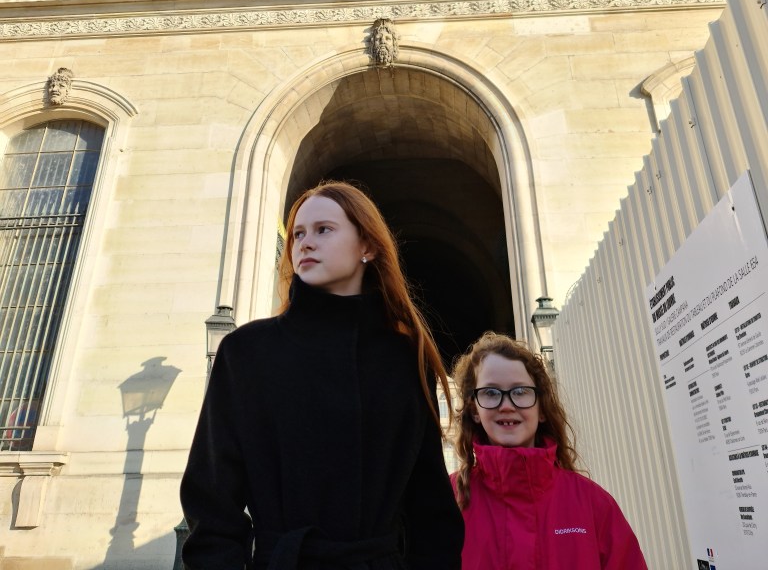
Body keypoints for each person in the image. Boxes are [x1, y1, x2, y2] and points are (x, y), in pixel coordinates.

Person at [180, 181, 464, 570]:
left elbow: (430, 506)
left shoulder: (405, 359)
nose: (305, 243)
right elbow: (211, 499)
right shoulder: (246, 352)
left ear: (367, 246)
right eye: (297, 234)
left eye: (323, 230)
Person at [451, 332, 647, 570]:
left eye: (520, 391)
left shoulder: (594, 504)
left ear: (541, 408)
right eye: (491, 393)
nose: (506, 405)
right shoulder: (448, 500)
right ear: (474, 410)